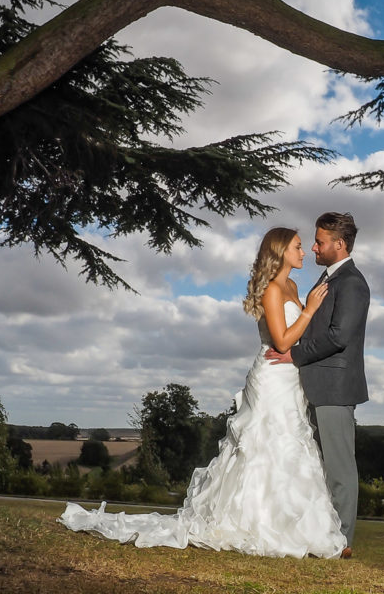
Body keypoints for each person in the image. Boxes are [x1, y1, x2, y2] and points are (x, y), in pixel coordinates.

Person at [58, 227, 347, 558]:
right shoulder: (271, 289)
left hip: (290, 379)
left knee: (292, 446)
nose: (304, 251)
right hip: (271, 377)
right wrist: (309, 310)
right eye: (297, 246)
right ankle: (252, 521)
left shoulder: (293, 286)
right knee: (263, 445)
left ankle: (290, 525)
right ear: (281, 252)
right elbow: (281, 341)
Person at [265, 212, 369, 560]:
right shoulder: (327, 279)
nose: (313, 248)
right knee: (318, 469)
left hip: (334, 388)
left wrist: (293, 354)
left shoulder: (351, 283)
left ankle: (342, 541)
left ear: (339, 244)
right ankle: (322, 534)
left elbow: (339, 336)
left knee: (340, 468)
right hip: (314, 385)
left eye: (319, 242)